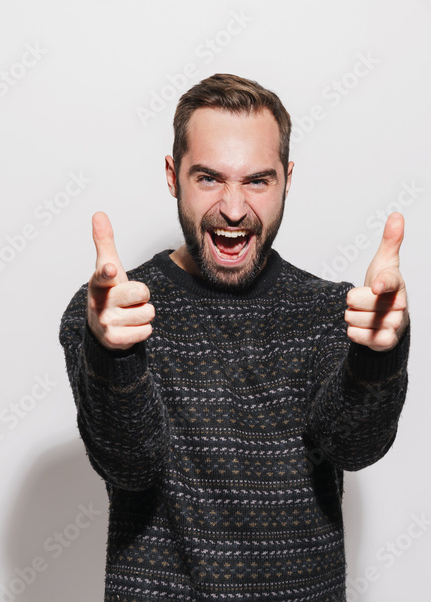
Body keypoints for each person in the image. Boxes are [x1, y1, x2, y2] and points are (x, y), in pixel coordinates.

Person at [59, 73, 410, 601]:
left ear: (287, 179)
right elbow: (130, 465)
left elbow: (352, 446)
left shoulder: (330, 312)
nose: (233, 207)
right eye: (209, 178)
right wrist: (113, 357)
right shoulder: (112, 315)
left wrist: (377, 360)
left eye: (257, 181)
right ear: (172, 175)